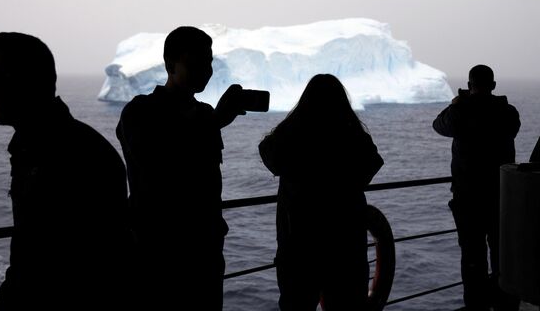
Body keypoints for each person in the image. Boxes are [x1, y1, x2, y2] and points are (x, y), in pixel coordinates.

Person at [0, 32, 132, 311]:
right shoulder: (39, 146)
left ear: (36, 80)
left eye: (5, 76)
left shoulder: (73, 153)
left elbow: (61, 267)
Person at [116, 26, 245, 310]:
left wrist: (214, 121)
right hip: (159, 253)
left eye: (209, 62)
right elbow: (163, 169)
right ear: (169, 64)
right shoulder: (140, 113)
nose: (206, 70)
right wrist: (215, 123)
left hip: (206, 248)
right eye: (196, 62)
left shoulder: (205, 114)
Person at [258, 74, 384, 311]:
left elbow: (269, 153)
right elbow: (371, 164)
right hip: (346, 247)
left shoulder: (293, 135)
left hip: (299, 248)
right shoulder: (352, 135)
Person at [433, 64, 521, 311]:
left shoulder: (461, 111)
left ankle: (477, 306)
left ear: (470, 86)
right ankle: (505, 305)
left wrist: (458, 102)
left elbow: (439, 125)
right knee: (502, 256)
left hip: (468, 199)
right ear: (493, 86)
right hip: (500, 198)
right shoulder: (508, 112)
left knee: (472, 259)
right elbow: (513, 127)